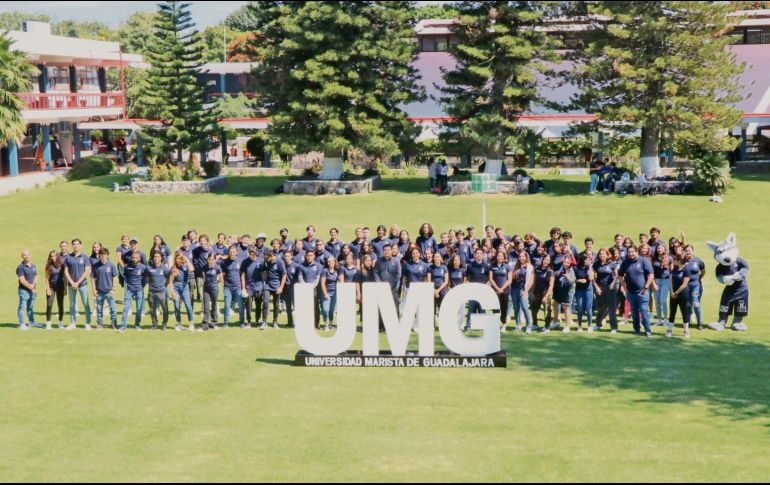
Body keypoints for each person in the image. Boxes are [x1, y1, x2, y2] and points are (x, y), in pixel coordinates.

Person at [618, 245, 654, 337]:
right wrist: (624, 287)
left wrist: (646, 287)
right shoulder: (625, 262)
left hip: (643, 292)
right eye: (629, 252)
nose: (631, 253)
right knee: (634, 313)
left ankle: (647, 330)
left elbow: (651, 275)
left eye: (632, 251)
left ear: (637, 251)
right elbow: (620, 275)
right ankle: (636, 329)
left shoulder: (644, 261)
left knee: (644, 311)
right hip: (630, 293)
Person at [63, 239, 92, 331]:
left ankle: (87, 323)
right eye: (74, 244)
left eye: (77, 244)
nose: (76, 246)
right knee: (72, 304)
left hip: (82, 284)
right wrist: (72, 282)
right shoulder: (68, 257)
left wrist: (78, 282)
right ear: (72, 246)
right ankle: (72, 323)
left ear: (81, 245)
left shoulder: (85, 257)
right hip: (71, 285)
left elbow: (87, 271)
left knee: (86, 303)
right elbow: (66, 271)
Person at [593, 248, 619, 334]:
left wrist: (613, 283)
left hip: (610, 288)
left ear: (607, 255)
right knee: (601, 307)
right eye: (600, 254)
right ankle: (598, 324)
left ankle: (614, 327)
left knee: (612, 308)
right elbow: (592, 277)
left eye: (603, 254)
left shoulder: (611, 264)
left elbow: (616, 275)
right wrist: (596, 287)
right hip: (600, 288)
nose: (602, 256)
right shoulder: (596, 264)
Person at [91, 248, 118, 330]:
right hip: (99, 292)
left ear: (107, 255)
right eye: (102, 254)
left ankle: (114, 323)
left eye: (105, 254)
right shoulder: (96, 265)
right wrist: (94, 290)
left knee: (113, 309)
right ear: (99, 255)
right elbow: (92, 278)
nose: (103, 256)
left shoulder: (111, 265)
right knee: (99, 310)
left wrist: (113, 289)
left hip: (109, 292)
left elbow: (115, 277)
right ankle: (100, 324)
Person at [120, 251, 147, 332]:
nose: (135, 259)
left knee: (139, 308)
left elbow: (146, 279)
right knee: (126, 308)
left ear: (139, 258)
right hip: (129, 290)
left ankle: (137, 325)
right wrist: (129, 283)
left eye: (136, 258)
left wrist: (142, 286)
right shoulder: (127, 266)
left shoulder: (143, 267)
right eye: (133, 257)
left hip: (139, 290)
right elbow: (125, 275)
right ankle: (123, 326)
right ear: (131, 258)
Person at [241, 246, 266, 329]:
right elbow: (243, 275)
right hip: (249, 287)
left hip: (259, 286)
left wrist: (264, 285)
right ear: (249, 253)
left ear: (256, 253)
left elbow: (264, 273)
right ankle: (248, 321)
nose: (252, 255)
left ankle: (257, 320)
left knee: (259, 304)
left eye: (254, 253)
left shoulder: (261, 260)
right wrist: (244, 287)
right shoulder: (245, 262)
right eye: (251, 254)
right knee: (248, 304)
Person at [669, 246, 691, 338]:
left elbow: (684, 284)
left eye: (677, 260)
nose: (675, 261)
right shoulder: (674, 268)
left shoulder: (687, 269)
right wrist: (671, 292)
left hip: (683, 294)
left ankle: (686, 330)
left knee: (684, 312)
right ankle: (669, 330)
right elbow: (670, 280)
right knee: (672, 312)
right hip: (673, 293)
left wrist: (676, 293)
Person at [510, 250, 534, 334]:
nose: (521, 258)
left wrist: (525, 291)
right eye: (520, 256)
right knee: (516, 308)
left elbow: (530, 281)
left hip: (523, 289)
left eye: (523, 256)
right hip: (514, 289)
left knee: (524, 307)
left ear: (526, 257)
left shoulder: (530, 267)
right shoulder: (514, 266)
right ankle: (518, 325)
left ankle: (528, 325)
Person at [221, 245, 245, 329]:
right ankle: (226, 323)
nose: (232, 253)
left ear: (236, 252)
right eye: (230, 252)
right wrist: (223, 285)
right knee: (227, 306)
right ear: (228, 252)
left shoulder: (240, 261)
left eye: (234, 252)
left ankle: (242, 322)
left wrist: (243, 287)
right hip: (228, 287)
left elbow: (242, 275)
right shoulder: (224, 262)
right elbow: (221, 275)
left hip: (238, 287)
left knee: (241, 306)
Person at [297, 250, 323, 329]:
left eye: (311, 255)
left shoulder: (318, 266)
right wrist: (305, 287)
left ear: (314, 256)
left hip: (314, 288)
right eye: (308, 255)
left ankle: (316, 324)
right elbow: (300, 277)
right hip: (304, 289)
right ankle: (306, 324)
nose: (309, 257)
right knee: (305, 307)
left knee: (315, 307)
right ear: (305, 256)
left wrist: (311, 287)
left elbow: (317, 278)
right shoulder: (301, 265)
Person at [146, 251, 171, 330]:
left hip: (161, 292)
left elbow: (168, 278)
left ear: (161, 258)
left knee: (165, 308)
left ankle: (164, 324)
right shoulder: (149, 267)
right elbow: (147, 278)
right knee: (152, 309)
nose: (156, 258)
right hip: (151, 292)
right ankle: (154, 324)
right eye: (155, 257)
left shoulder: (164, 268)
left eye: (158, 257)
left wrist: (164, 285)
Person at [170, 252, 195, 332]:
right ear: (175, 259)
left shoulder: (185, 266)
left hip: (185, 287)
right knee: (177, 307)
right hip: (176, 287)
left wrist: (186, 259)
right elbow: (170, 281)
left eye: (180, 258)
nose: (179, 260)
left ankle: (191, 324)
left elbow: (192, 269)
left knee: (188, 306)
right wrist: (172, 292)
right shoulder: (173, 268)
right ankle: (179, 324)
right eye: (177, 258)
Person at [373, 244, 402, 311]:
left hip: (393, 288)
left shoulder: (396, 261)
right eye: (385, 250)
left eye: (388, 250)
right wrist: (379, 283)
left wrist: (392, 284)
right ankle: (381, 322)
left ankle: (396, 321)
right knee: (382, 307)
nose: (387, 251)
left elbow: (398, 274)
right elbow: (375, 272)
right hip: (382, 287)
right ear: (383, 251)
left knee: (394, 306)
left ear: (391, 251)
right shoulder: (379, 261)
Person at [489, 250, 511, 333]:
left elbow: (509, 280)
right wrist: (497, 289)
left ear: (504, 257)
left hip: (505, 291)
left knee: (504, 308)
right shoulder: (492, 266)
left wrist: (502, 289)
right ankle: (495, 324)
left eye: (501, 256)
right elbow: (491, 279)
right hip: (495, 291)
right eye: (498, 256)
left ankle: (504, 324)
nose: (499, 257)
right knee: (495, 308)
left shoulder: (507, 266)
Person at [16, 250, 40, 330]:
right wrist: (32, 287)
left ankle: (32, 322)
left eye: (27, 255)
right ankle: (22, 324)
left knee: (30, 307)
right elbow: (22, 280)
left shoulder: (33, 266)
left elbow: (36, 276)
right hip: (24, 291)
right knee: (21, 307)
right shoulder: (20, 267)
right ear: (22, 257)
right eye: (24, 255)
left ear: (30, 255)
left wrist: (34, 284)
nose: (26, 256)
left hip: (32, 290)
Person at [684, 245, 705, 330]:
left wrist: (698, 279)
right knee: (688, 304)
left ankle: (700, 324)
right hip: (685, 286)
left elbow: (703, 272)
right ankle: (687, 322)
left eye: (689, 250)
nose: (688, 252)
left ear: (693, 251)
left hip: (695, 285)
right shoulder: (682, 261)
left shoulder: (698, 261)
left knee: (695, 303)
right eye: (686, 251)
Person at [531, 254, 554, 333]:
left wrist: (546, 296)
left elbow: (551, 286)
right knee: (534, 309)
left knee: (547, 311)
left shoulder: (550, 271)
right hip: (536, 292)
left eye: (548, 260)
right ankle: (535, 324)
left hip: (545, 293)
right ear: (542, 260)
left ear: (550, 261)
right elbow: (534, 281)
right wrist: (532, 292)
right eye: (545, 259)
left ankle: (547, 327)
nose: (546, 261)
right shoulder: (537, 269)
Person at [264, 250, 287, 329]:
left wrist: (281, 287)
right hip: (267, 285)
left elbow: (284, 274)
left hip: (276, 286)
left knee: (276, 305)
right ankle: (264, 322)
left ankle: (275, 322)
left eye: (268, 258)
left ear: (272, 256)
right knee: (265, 302)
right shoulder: (267, 261)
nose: (267, 259)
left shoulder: (280, 262)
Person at [652, 244, 673, 328]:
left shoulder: (669, 258)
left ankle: (665, 319)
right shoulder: (654, 259)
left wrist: (671, 284)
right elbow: (651, 272)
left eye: (661, 248)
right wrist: (653, 283)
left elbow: (672, 272)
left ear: (664, 249)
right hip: (656, 281)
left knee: (663, 300)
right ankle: (659, 320)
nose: (659, 249)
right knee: (657, 301)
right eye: (658, 248)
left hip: (666, 280)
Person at [573, 252, 595, 332]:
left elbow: (591, 278)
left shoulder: (590, 268)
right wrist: (579, 280)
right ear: (583, 260)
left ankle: (589, 325)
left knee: (589, 308)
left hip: (588, 290)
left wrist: (589, 267)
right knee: (580, 308)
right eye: (587, 259)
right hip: (579, 290)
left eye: (589, 259)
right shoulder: (576, 268)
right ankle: (579, 326)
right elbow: (572, 279)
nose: (588, 261)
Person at [44, 250, 65, 330]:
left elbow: (65, 277)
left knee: (60, 305)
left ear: (57, 256)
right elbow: (46, 278)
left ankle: (60, 322)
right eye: (51, 256)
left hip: (60, 286)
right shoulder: (48, 266)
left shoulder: (62, 265)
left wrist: (65, 288)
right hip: (51, 287)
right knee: (49, 304)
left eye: (54, 256)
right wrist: (48, 289)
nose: (53, 258)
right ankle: (48, 323)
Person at [553, 256, 576, 332]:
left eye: (568, 262)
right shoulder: (562, 268)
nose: (566, 264)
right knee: (555, 303)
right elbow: (558, 274)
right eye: (565, 262)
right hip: (560, 289)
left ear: (570, 263)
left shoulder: (571, 270)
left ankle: (567, 326)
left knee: (566, 308)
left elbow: (572, 282)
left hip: (568, 291)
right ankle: (556, 321)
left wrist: (568, 277)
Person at [202, 253, 223, 331]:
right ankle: (205, 324)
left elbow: (221, 279)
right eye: (209, 259)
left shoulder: (218, 268)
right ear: (207, 259)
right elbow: (204, 278)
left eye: (212, 259)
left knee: (214, 306)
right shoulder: (204, 267)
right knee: (206, 307)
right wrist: (203, 288)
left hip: (214, 289)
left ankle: (213, 323)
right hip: (206, 289)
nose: (211, 261)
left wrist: (221, 287)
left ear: (215, 260)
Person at [427, 252, 449, 323]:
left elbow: (446, 281)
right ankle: (432, 324)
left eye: (438, 256)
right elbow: (429, 280)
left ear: (441, 258)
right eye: (435, 257)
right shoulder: (430, 267)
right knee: (431, 308)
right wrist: (434, 290)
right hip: (432, 290)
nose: (436, 258)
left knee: (442, 308)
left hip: (442, 290)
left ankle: (442, 324)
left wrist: (438, 290)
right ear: (433, 258)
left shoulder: (444, 267)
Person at [320, 256, 340, 331]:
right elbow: (322, 283)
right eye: (329, 261)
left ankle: (330, 324)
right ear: (327, 263)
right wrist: (325, 293)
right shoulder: (325, 271)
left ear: (335, 262)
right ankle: (326, 324)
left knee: (332, 310)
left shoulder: (337, 270)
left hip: (335, 292)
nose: (330, 262)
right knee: (325, 309)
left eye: (332, 261)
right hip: (326, 292)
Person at [282, 250, 298, 328]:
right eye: (285, 256)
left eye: (288, 256)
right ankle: (290, 322)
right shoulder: (282, 265)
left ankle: (299, 323)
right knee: (288, 307)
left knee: (297, 306)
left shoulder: (296, 266)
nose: (287, 257)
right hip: (286, 289)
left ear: (291, 256)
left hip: (295, 289)